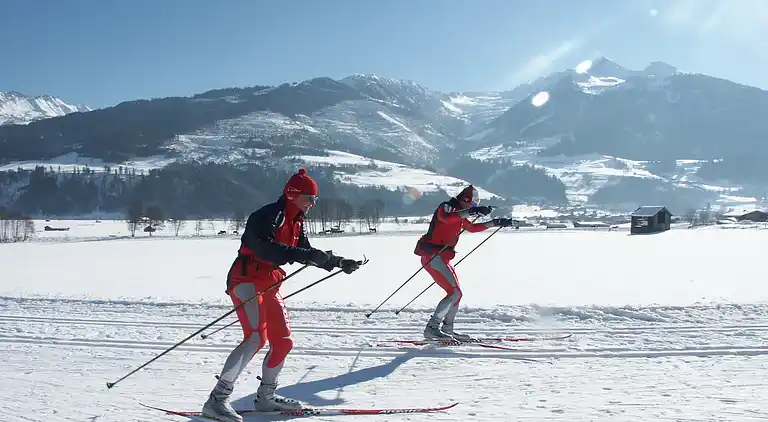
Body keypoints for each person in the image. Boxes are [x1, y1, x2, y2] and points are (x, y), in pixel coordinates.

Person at [202, 168, 362, 422]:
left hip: (269, 281)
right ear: (293, 194)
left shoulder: (297, 221)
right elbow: (265, 249)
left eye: (314, 199)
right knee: (255, 338)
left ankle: (266, 397)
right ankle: (216, 400)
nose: (312, 203)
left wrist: (338, 261)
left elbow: (306, 251)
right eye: (310, 198)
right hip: (246, 278)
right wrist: (306, 255)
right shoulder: (267, 216)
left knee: (283, 341)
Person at [413, 185, 514, 341]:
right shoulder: (446, 207)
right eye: (472, 204)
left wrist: (495, 222)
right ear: (465, 200)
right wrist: (472, 211)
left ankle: (447, 330)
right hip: (433, 257)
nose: (472, 206)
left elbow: (472, 228)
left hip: (442, 258)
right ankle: (432, 328)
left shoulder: (459, 214)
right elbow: (446, 218)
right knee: (454, 293)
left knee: (457, 294)